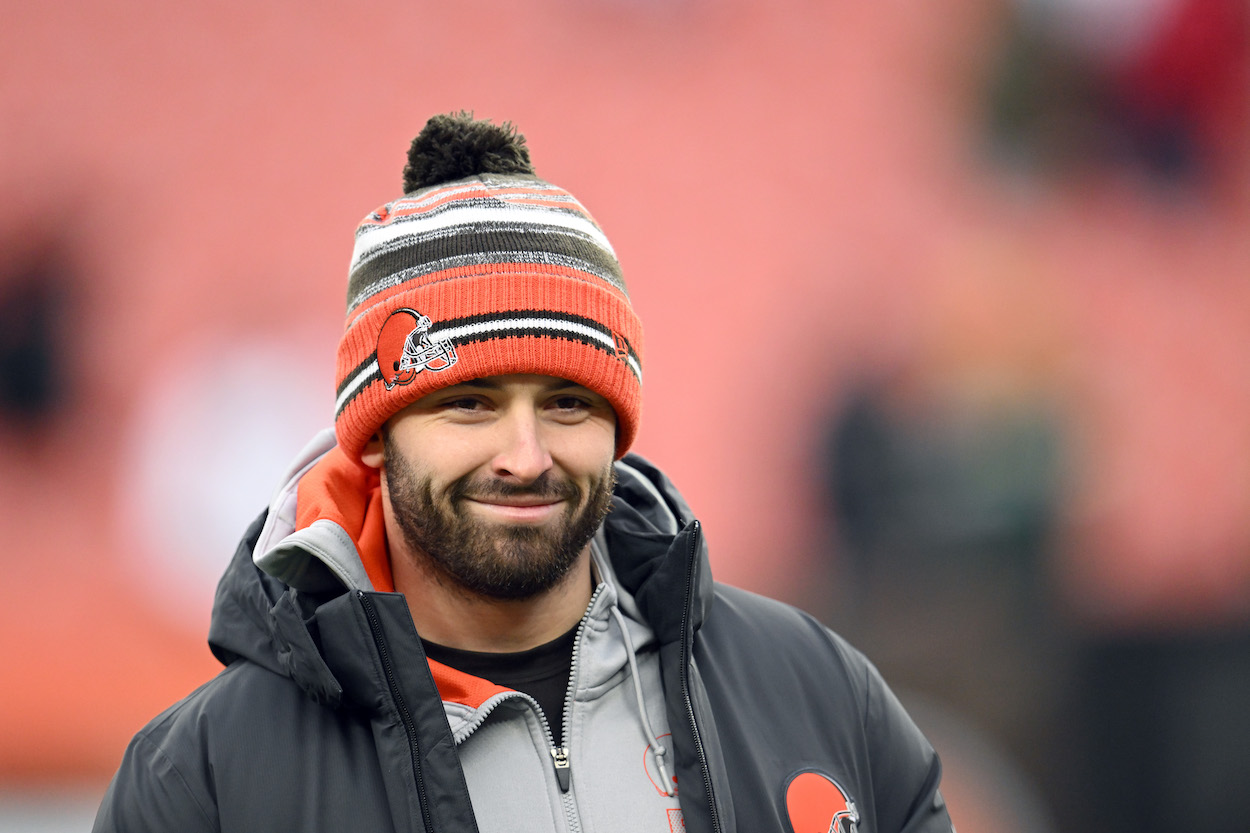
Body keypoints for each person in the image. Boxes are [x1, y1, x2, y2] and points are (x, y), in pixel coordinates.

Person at [93, 112, 954, 833]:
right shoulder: (206, 778)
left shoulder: (817, 695)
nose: (526, 454)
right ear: (374, 436)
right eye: (468, 403)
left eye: (568, 403)